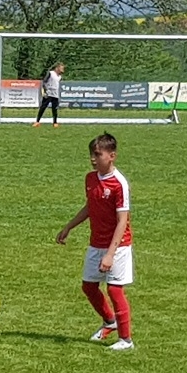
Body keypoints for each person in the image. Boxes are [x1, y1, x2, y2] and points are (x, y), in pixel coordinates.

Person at [56, 132, 135, 350]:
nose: (93, 159)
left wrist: (110, 254)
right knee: (89, 287)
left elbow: (122, 220)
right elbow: (90, 207)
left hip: (117, 246)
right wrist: (69, 226)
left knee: (114, 290)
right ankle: (110, 321)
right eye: (92, 154)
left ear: (112, 156)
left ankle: (126, 340)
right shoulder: (90, 179)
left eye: (98, 154)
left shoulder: (119, 184)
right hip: (96, 243)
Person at [34, 62, 64, 128]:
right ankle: (37, 121)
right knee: (43, 107)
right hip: (48, 93)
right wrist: (45, 91)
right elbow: (44, 81)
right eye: (61, 68)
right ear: (57, 68)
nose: (62, 70)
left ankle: (55, 122)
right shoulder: (51, 73)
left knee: (55, 109)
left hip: (55, 94)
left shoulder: (60, 77)